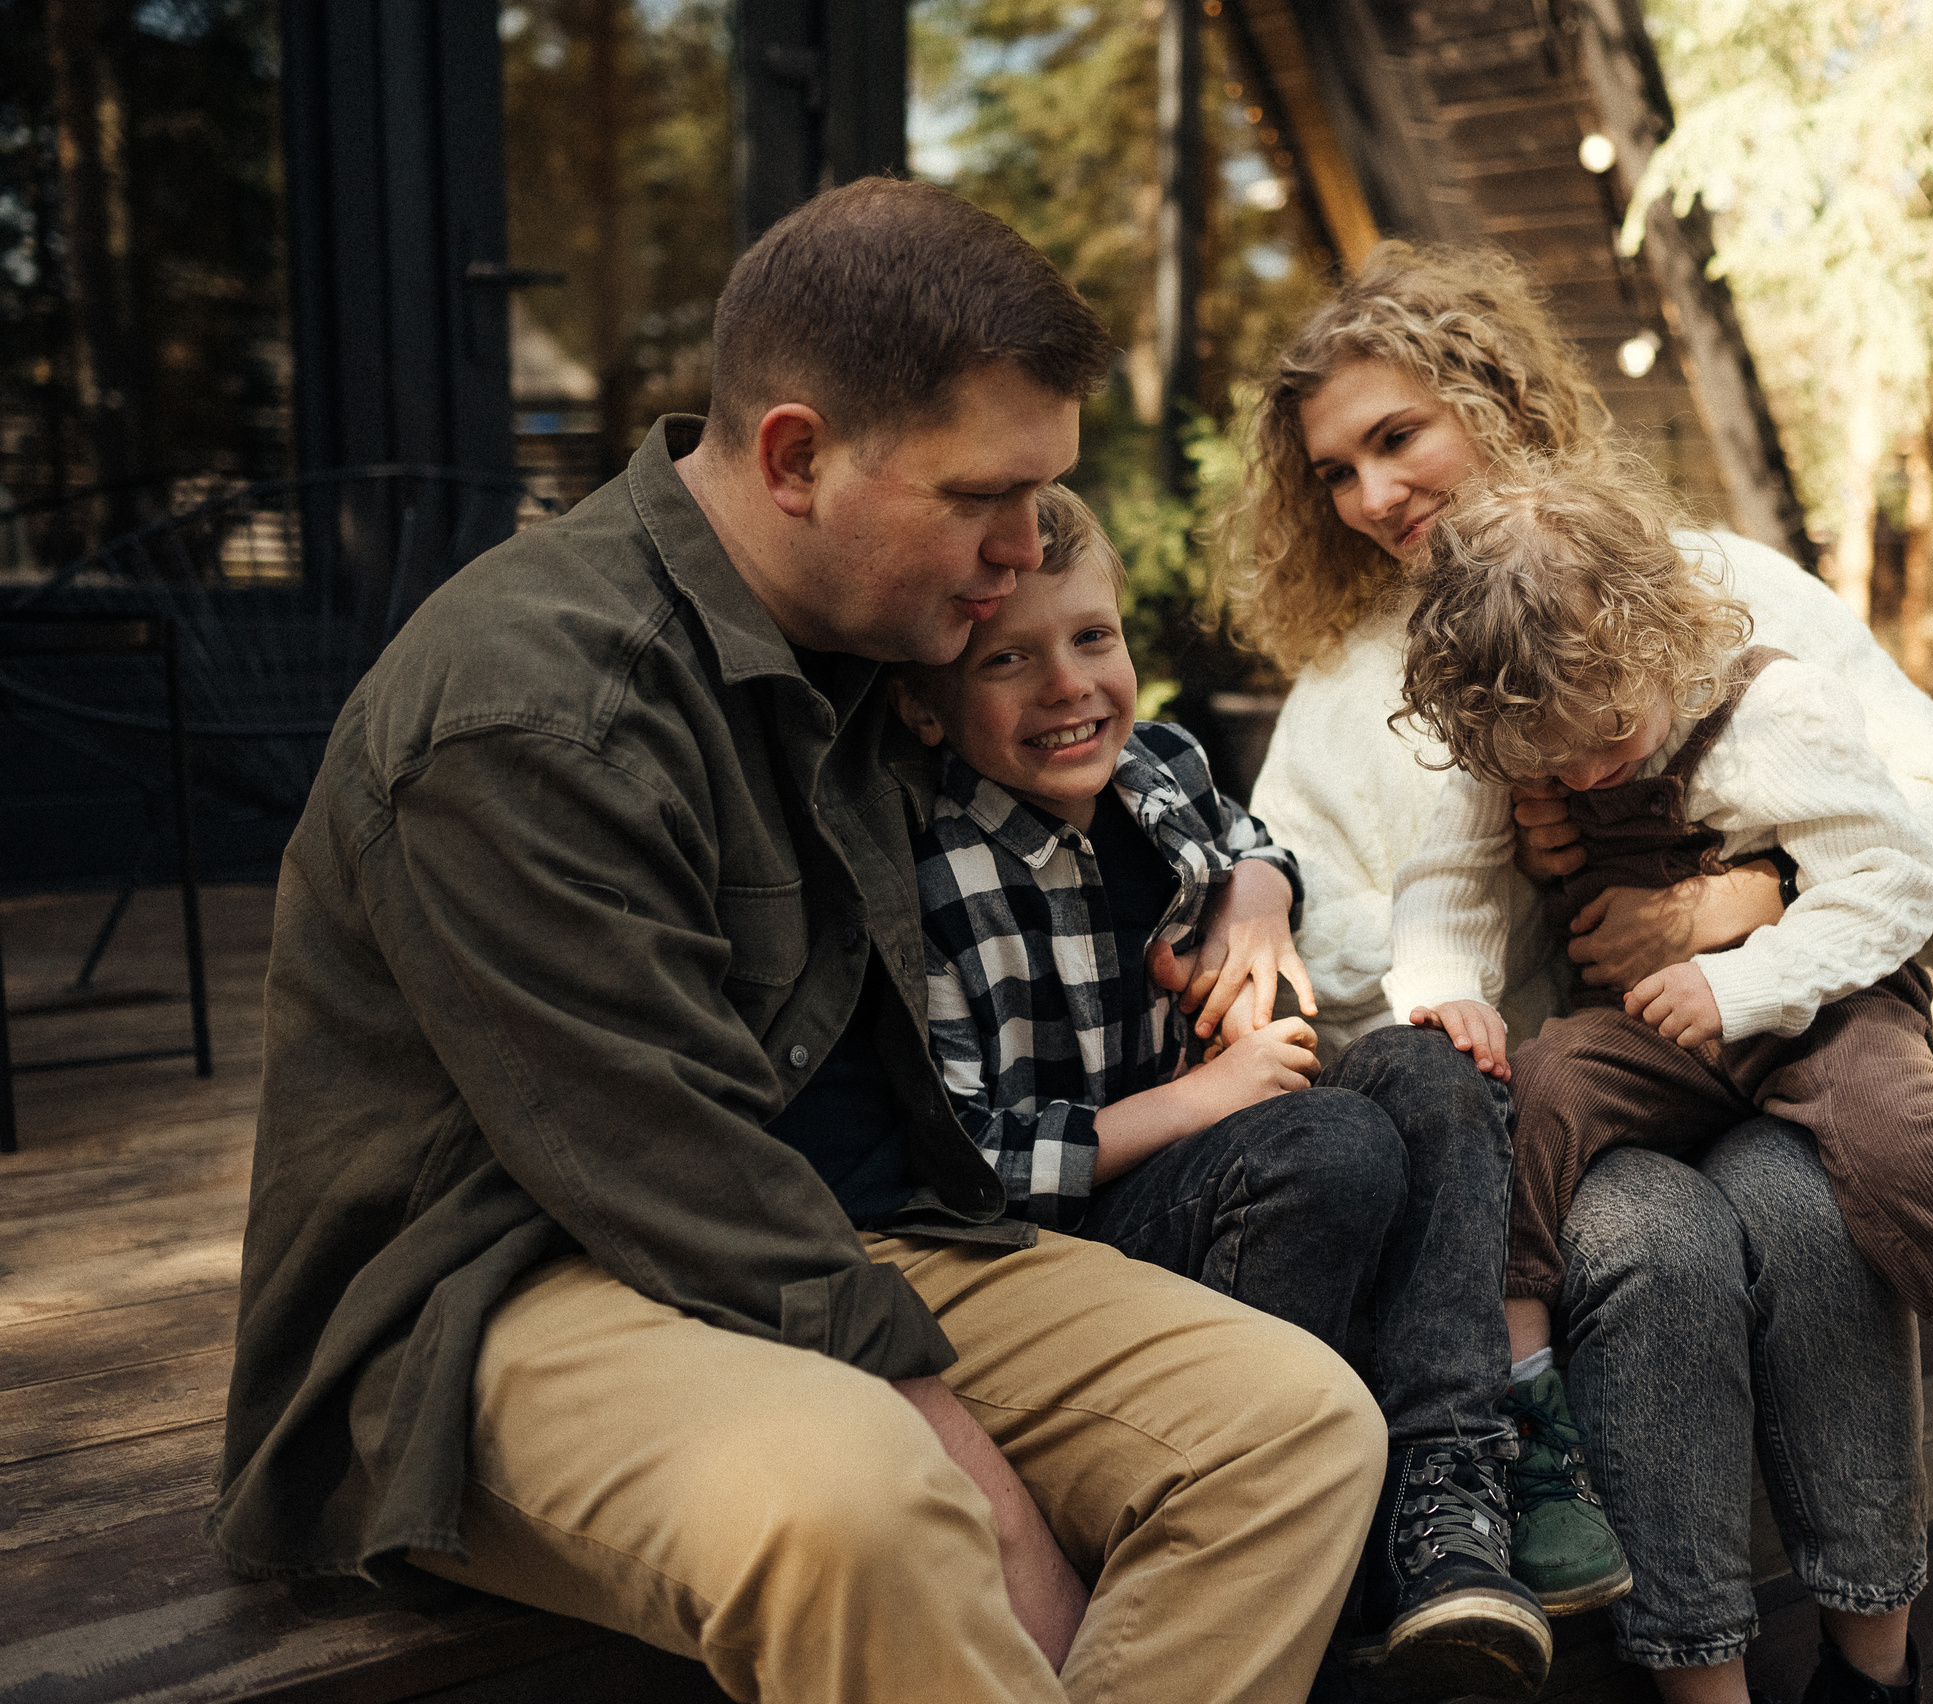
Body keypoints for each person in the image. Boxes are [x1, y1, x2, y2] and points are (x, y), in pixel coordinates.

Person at [207, 179, 1389, 1704]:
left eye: (1041, 499)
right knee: (865, 1499)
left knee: (1292, 1428)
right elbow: (661, 1158)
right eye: (982, 499)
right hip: (508, 1285)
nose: (1024, 552)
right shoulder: (530, 709)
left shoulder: (873, 634)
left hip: (844, 1218)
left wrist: (1250, 881)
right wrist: (958, 1445)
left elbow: (1131, 774)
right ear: (795, 456)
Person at [1220, 241, 1933, 1703]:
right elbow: (1356, 960)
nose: (1372, 497)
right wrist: (1303, 884)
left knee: (1806, 1215)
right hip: (1556, 1107)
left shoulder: (1695, 585)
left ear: (1492, 398)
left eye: (1397, 436)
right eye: (1334, 470)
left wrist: (1730, 900)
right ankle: (1699, 1672)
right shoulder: (1342, 696)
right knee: (1650, 1248)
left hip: (1770, 1042)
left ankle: (1877, 1664)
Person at [1385, 453, 1933, 1676]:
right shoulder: (1531, 721)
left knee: (1896, 1134)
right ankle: (1529, 1421)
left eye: (1608, 734)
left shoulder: (1772, 710)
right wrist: (1445, 991)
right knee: (1531, 1092)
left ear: (1650, 628)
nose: (1590, 773)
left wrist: (1743, 976)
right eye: (1551, 762)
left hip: (1826, 1001)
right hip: (1667, 1032)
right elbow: (1444, 883)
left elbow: (1897, 880)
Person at [889, 482, 1558, 1698]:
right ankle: (1326, 1562)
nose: (1068, 687)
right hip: (1083, 1263)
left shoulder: (1158, 765)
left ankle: (1449, 1504)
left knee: (1429, 1065)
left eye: (1093, 639)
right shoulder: (937, 873)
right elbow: (968, 1158)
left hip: (1221, 1182)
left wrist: (1260, 892)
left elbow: (1249, 839)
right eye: (1008, 660)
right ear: (925, 708)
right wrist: (1210, 1100)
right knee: (1330, 1145)